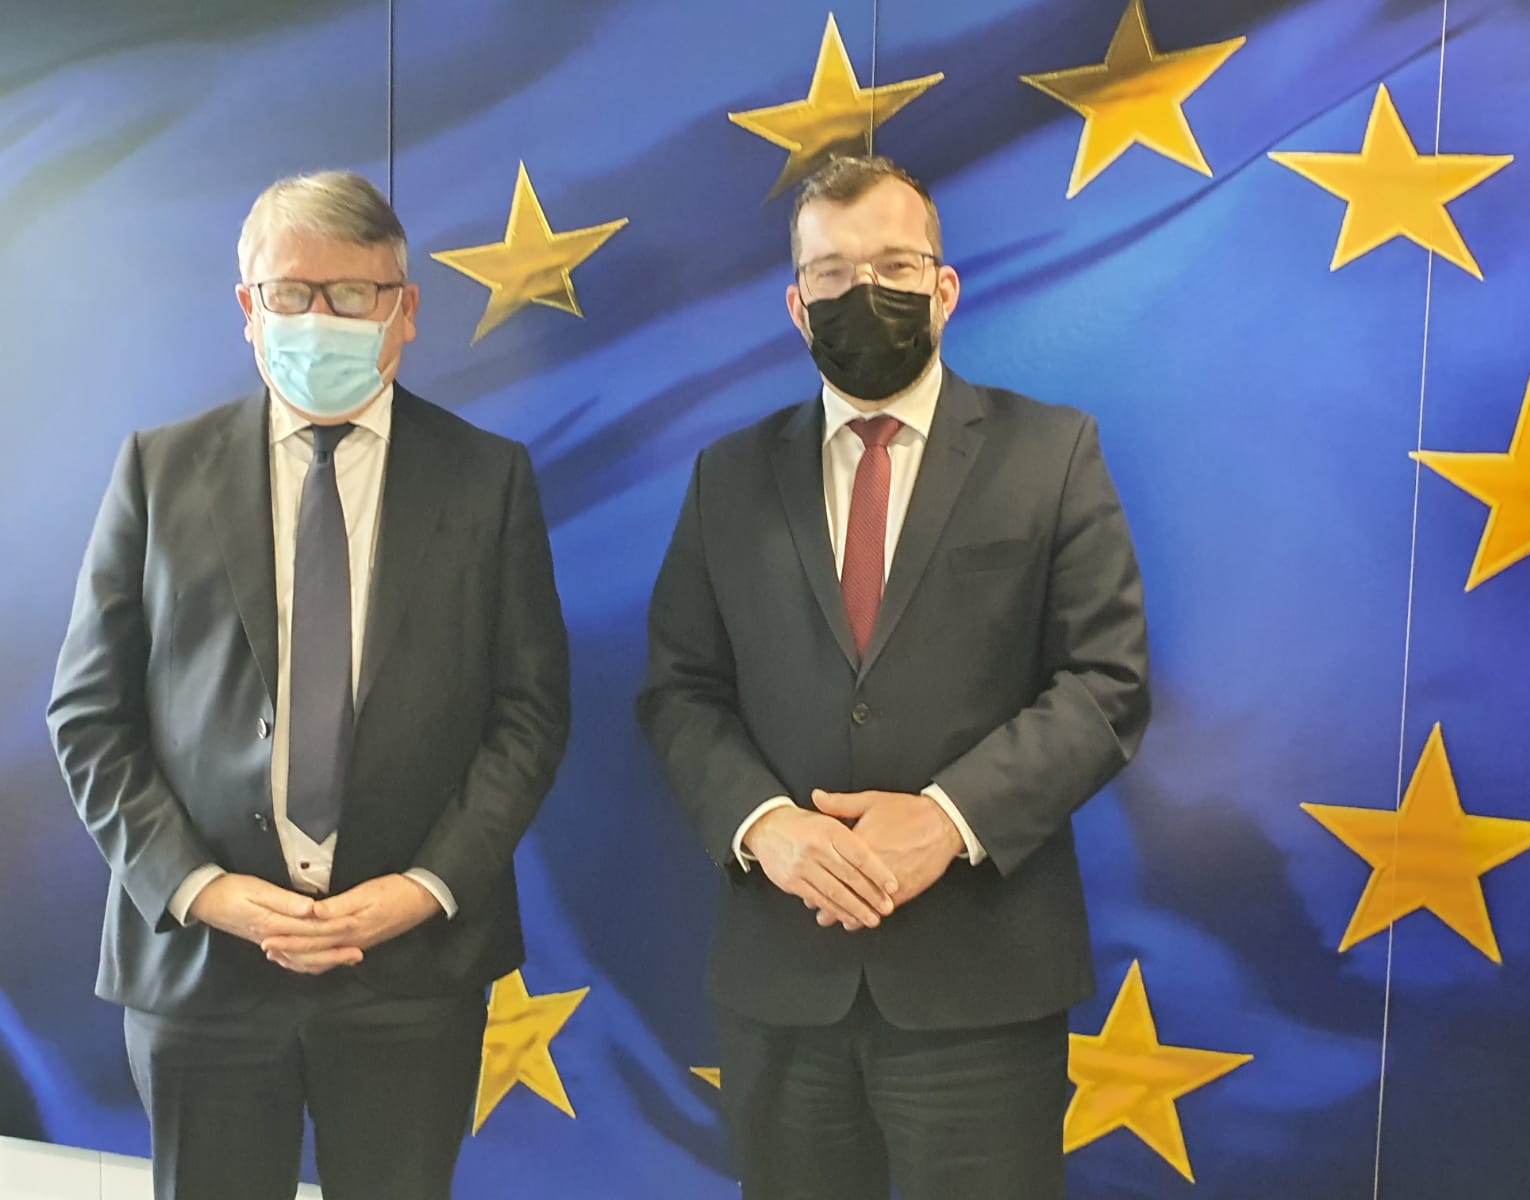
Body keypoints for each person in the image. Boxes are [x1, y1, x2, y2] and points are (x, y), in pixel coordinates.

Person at [46, 170, 570, 1200]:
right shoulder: (159, 470)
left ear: (404, 310)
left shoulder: (488, 477)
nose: (318, 318)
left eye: (352, 294)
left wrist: (421, 889)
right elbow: (89, 716)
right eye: (291, 293)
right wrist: (203, 890)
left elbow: (530, 713)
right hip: (201, 969)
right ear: (250, 308)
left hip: (411, 974)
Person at [637, 155, 1151, 1199]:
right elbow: (678, 690)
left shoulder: (1051, 453)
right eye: (830, 273)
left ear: (943, 287)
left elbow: (1107, 682)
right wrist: (764, 827)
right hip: (783, 983)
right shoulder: (728, 477)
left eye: (893, 265)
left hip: (982, 984)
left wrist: (950, 820)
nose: (861, 292)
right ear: (796, 306)